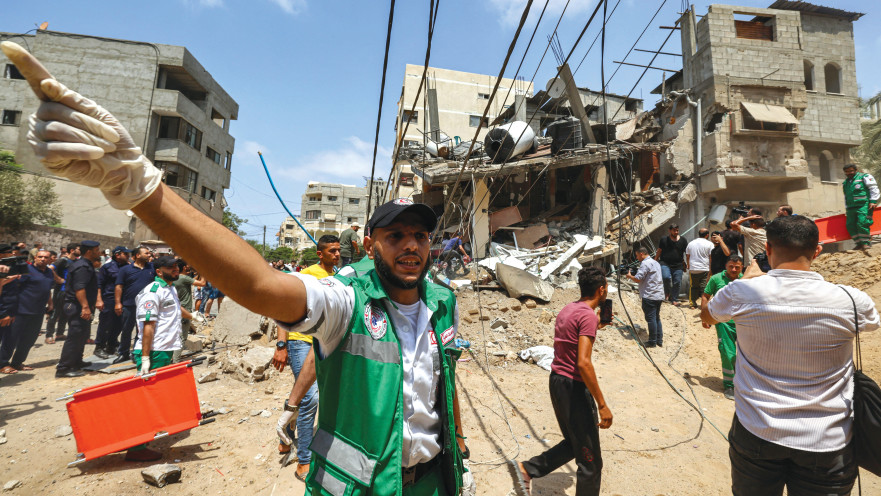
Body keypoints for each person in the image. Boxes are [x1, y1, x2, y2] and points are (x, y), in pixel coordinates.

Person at [14, 46, 467, 493]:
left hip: (432, 483)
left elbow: (444, 382)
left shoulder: (443, 303)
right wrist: (140, 187)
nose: (411, 245)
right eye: (396, 236)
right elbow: (259, 284)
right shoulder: (347, 296)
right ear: (370, 245)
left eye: (420, 236)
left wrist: (459, 446)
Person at [701, 215, 879, 495]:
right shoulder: (851, 300)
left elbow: (708, 317)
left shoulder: (741, 291)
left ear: (768, 250)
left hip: (757, 431)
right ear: (817, 251)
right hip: (829, 440)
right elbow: (871, 322)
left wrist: (748, 280)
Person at [516, 267, 613, 495]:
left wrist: (597, 325)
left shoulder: (569, 310)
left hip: (557, 381)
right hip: (574, 387)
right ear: (601, 290)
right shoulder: (587, 315)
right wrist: (602, 404)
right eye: (606, 288)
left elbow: (571, 339)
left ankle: (527, 469)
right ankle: (527, 469)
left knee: (574, 442)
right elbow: (583, 363)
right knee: (590, 463)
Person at [272, 235, 339, 481]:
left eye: (338, 250)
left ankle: (289, 427)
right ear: (320, 254)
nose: (337, 254)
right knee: (310, 398)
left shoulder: (339, 276)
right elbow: (283, 307)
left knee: (311, 395)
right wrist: (281, 345)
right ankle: (304, 459)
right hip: (301, 343)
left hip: (326, 344)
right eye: (332, 251)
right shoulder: (305, 275)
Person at [127, 255, 189, 461]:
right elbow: (148, 326)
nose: (175, 269)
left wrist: (193, 316)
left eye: (176, 266)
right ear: (158, 270)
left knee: (157, 395)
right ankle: (136, 448)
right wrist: (145, 358)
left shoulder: (169, 288)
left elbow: (175, 309)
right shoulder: (151, 292)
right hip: (153, 351)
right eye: (170, 267)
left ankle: (147, 436)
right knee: (147, 398)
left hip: (165, 350)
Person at [0, 249, 54, 374]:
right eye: (40, 257)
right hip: (21, 311)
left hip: (38, 312)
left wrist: (50, 303)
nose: (42, 259)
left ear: (50, 259)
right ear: (35, 257)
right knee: (11, 339)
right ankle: (2, 363)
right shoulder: (26, 271)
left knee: (29, 339)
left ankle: (17, 362)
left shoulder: (49, 272)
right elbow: (13, 288)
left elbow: (47, 289)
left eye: (46, 257)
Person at [56, 240, 101, 378]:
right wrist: (85, 307)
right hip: (76, 306)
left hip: (80, 305)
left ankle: (76, 362)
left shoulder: (86, 264)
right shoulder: (82, 267)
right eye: (97, 250)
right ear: (89, 251)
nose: (99, 253)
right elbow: (79, 288)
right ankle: (64, 368)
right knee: (75, 337)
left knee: (81, 336)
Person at [700, 255, 743, 400]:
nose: (734, 269)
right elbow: (705, 296)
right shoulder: (716, 279)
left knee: (746, 355)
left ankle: (742, 383)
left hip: (743, 323)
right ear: (726, 266)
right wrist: (704, 315)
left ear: (741, 267)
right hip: (723, 323)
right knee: (728, 353)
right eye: (731, 266)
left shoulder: (746, 280)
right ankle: (729, 385)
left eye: (737, 267)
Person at [113, 246, 154, 363]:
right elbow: (119, 286)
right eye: (146, 253)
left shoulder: (152, 268)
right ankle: (123, 353)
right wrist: (117, 303)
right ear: (137, 255)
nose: (149, 255)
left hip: (147, 306)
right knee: (126, 330)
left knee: (141, 331)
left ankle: (137, 353)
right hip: (129, 305)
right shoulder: (125, 269)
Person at [93, 246, 130, 359]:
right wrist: (99, 299)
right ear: (117, 254)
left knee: (119, 323)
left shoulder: (128, 267)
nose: (128, 256)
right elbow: (99, 284)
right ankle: (99, 347)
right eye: (125, 254)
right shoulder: (107, 267)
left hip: (123, 299)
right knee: (105, 323)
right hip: (109, 298)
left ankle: (111, 345)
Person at [626, 246, 665, 347]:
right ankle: (659, 340)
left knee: (651, 319)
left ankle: (652, 341)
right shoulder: (656, 263)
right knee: (657, 318)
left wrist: (630, 276)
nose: (637, 258)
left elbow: (638, 279)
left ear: (642, 254)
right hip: (658, 295)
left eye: (637, 255)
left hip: (649, 295)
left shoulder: (645, 263)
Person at [171, 259, 205, 362]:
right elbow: (202, 283)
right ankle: (175, 361)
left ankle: (171, 358)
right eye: (187, 265)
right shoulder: (184, 278)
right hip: (185, 311)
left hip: (175, 309)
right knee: (182, 338)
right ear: (184, 267)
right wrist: (204, 271)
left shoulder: (174, 278)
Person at [45, 242, 79, 343]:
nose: (80, 250)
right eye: (78, 248)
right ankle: (49, 335)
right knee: (55, 313)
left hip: (70, 292)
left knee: (65, 313)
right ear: (72, 250)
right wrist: (58, 278)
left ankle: (59, 333)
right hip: (61, 291)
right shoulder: (63, 261)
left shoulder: (76, 262)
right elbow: (50, 269)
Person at [842, 163, 879, 249]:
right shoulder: (845, 183)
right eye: (847, 172)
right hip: (851, 207)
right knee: (850, 225)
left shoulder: (864, 177)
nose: (849, 173)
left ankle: (866, 242)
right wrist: (846, 208)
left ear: (856, 170)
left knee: (862, 223)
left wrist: (873, 201)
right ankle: (859, 243)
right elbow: (846, 196)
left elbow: (873, 188)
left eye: (851, 171)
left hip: (864, 205)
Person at [655, 224, 687, 305]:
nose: (676, 232)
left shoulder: (683, 240)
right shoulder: (664, 239)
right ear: (670, 230)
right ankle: (667, 294)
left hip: (678, 265)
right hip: (665, 263)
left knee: (677, 282)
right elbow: (659, 250)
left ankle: (674, 299)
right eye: (674, 230)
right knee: (666, 278)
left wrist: (687, 263)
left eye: (677, 230)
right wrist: (655, 261)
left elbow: (687, 253)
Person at [684, 228, 714, 308]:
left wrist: (688, 265)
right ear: (707, 235)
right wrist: (711, 268)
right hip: (705, 268)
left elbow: (687, 256)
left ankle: (692, 304)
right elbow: (711, 257)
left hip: (693, 269)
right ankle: (704, 305)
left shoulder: (691, 243)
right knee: (705, 287)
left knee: (693, 286)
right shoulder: (710, 244)